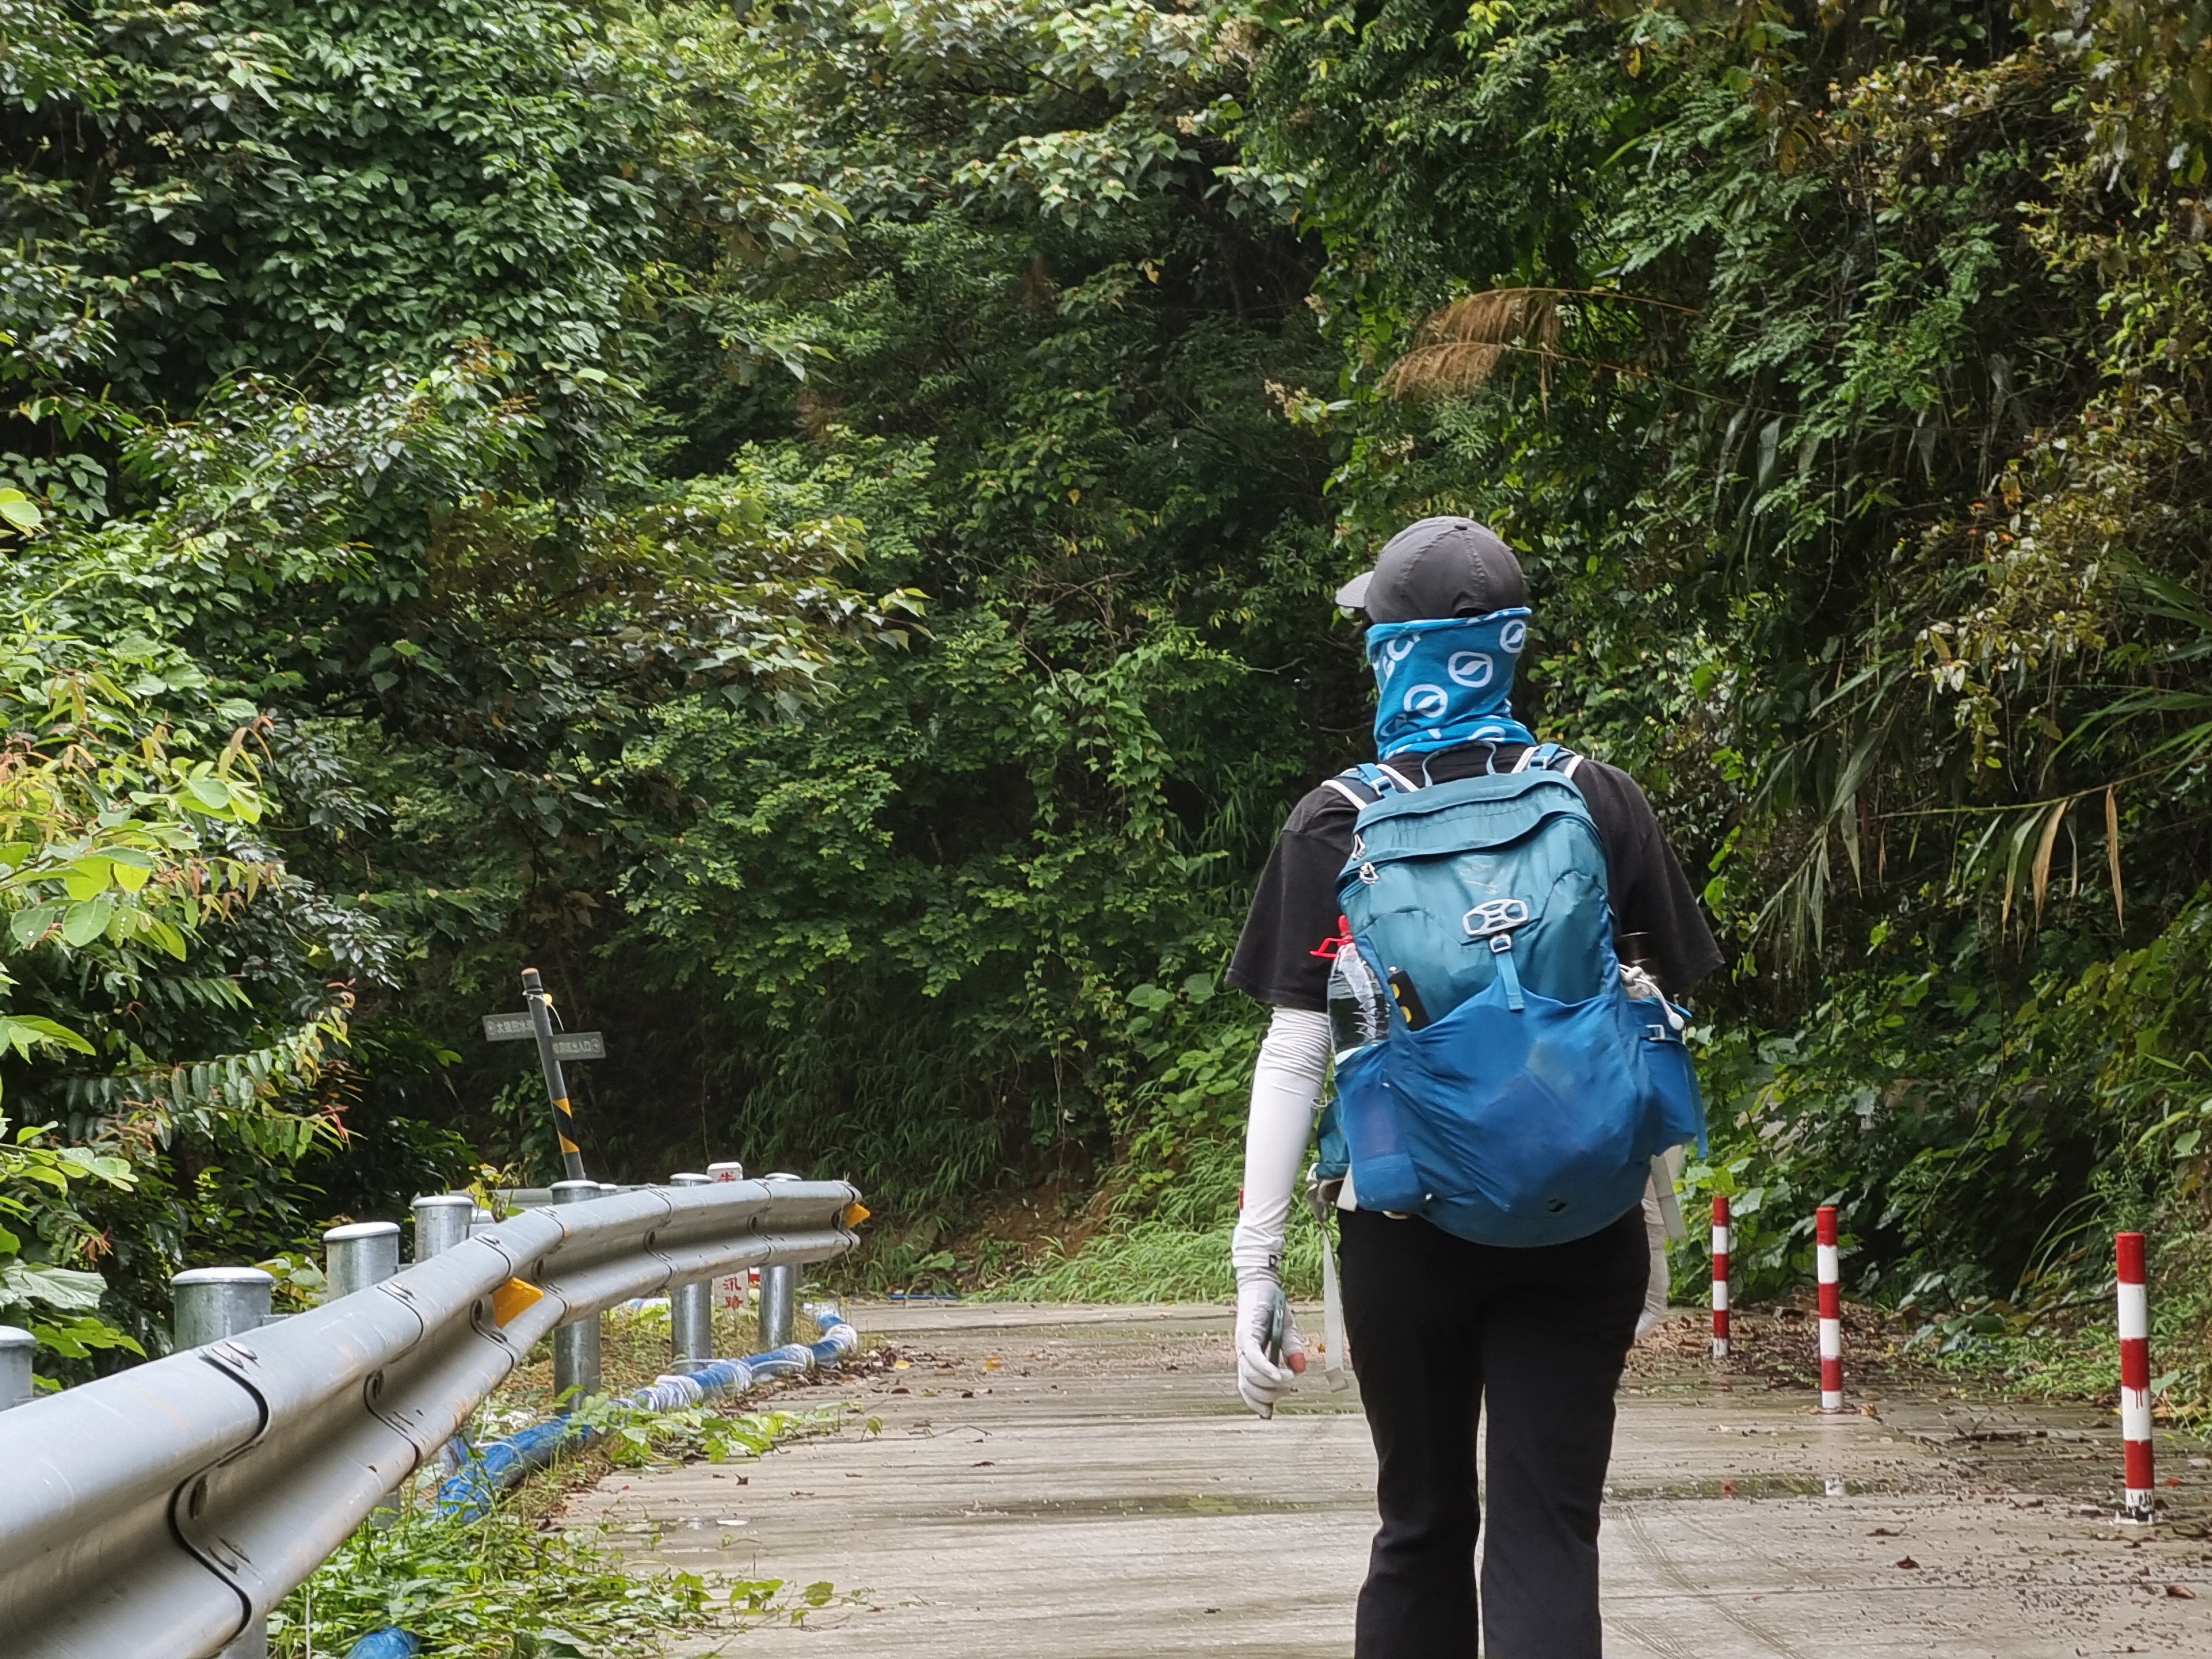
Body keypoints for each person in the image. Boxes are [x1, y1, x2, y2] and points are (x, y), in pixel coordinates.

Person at [1224, 516, 1723, 1658]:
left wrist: (1257, 1268)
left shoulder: (1335, 818)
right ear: (1508, 644)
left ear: (1389, 650)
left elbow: (1296, 1052)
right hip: (1582, 1225)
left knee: (1421, 1525)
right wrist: (1655, 1220)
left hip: (1403, 1228)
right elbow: (1646, 1023)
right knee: (1550, 1531)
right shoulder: (1596, 798)